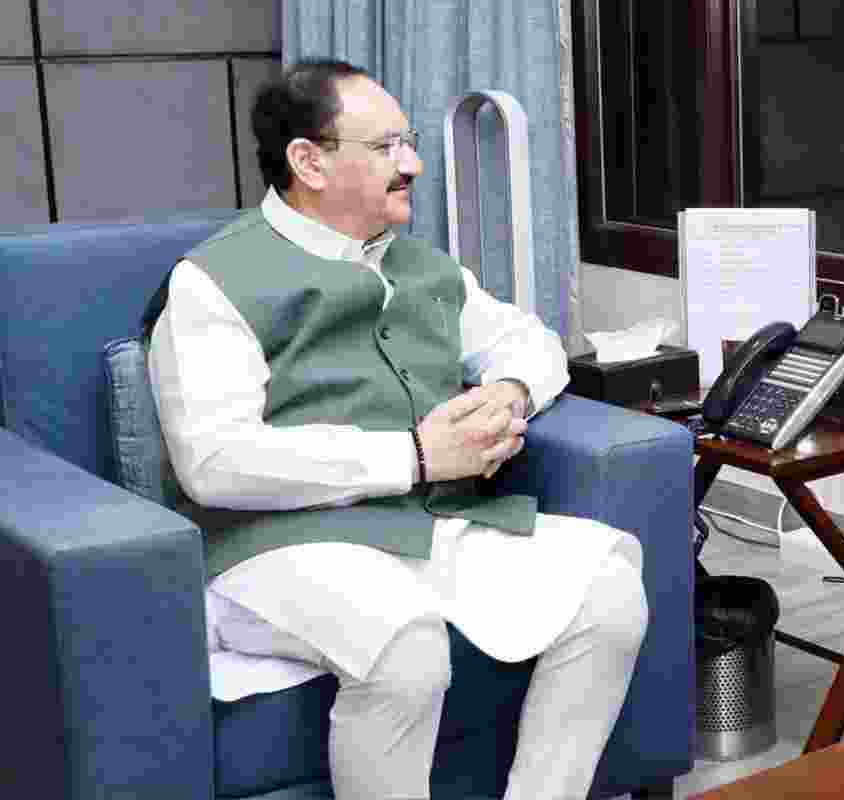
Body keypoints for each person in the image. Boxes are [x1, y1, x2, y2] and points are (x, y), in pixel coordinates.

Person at [146, 59, 648, 800]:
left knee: (609, 593)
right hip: (279, 544)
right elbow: (214, 461)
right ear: (309, 162)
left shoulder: (421, 265)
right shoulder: (212, 283)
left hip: (424, 528)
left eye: (407, 142)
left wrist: (507, 392)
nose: (411, 163)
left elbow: (529, 341)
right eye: (385, 147)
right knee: (405, 647)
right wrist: (415, 456)